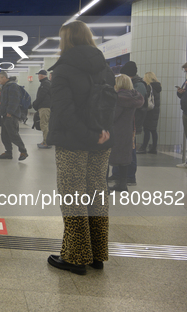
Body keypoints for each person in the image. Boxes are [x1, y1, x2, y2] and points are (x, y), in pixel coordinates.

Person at [46, 20, 115, 275]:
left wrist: (86, 135)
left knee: (73, 195)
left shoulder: (63, 70)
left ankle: (75, 256)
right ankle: (97, 254)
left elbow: (64, 111)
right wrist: (101, 133)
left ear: (67, 40)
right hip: (102, 140)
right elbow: (109, 104)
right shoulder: (105, 69)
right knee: (97, 193)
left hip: (73, 142)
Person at [109, 61, 147, 186]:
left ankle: (128, 178)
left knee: (126, 152)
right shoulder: (134, 94)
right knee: (126, 152)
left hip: (124, 127)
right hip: (130, 125)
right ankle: (121, 177)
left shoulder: (121, 97)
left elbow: (114, 116)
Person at [0, 71, 28, 160]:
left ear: (4, 77)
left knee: (13, 135)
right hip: (5, 115)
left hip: (11, 115)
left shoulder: (12, 86)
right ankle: (8, 152)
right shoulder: (6, 86)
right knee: (4, 136)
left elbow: (14, 100)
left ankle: (23, 151)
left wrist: (10, 112)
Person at [138, 72, 162, 154]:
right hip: (155, 110)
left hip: (149, 111)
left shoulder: (149, 86)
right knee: (153, 130)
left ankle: (143, 147)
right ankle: (154, 148)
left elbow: (146, 97)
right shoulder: (158, 86)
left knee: (147, 129)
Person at [32, 69, 52, 149]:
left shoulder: (45, 84)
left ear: (41, 76)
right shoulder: (46, 83)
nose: (38, 77)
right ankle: (44, 141)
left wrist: (35, 104)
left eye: (39, 75)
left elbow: (41, 96)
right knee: (45, 124)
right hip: (45, 107)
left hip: (45, 107)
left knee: (44, 125)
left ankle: (46, 142)